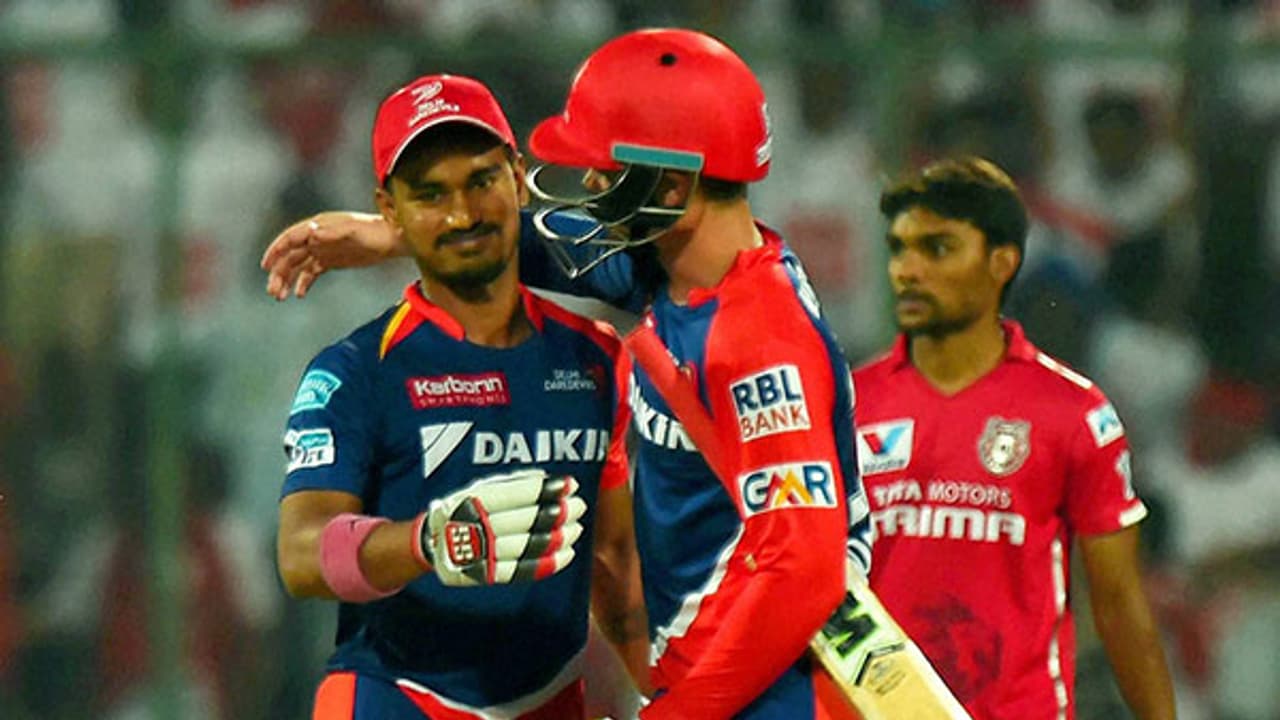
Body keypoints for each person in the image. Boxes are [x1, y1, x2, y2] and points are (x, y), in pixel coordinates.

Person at [264, 29, 872, 720]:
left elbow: (800, 567)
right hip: (695, 682)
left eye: (605, 172)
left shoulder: (756, 335)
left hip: (760, 688)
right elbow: (541, 244)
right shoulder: (672, 277)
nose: (588, 186)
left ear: (671, 186)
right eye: (430, 193)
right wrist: (404, 233)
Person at [273, 72, 646, 720]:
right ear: (389, 209)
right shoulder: (357, 369)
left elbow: (612, 558)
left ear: (517, 177)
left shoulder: (595, 358)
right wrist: (429, 542)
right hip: (393, 700)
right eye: (430, 194)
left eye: (481, 180)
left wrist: (672, 694)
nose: (463, 214)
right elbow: (301, 552)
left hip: (551, 702)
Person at [854, 156, 1176, 719]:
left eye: (937, 248)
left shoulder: (1074, 414)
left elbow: (1120, 603)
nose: (908, 270)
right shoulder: (847, 406)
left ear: (1001, 262)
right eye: (899, 248)